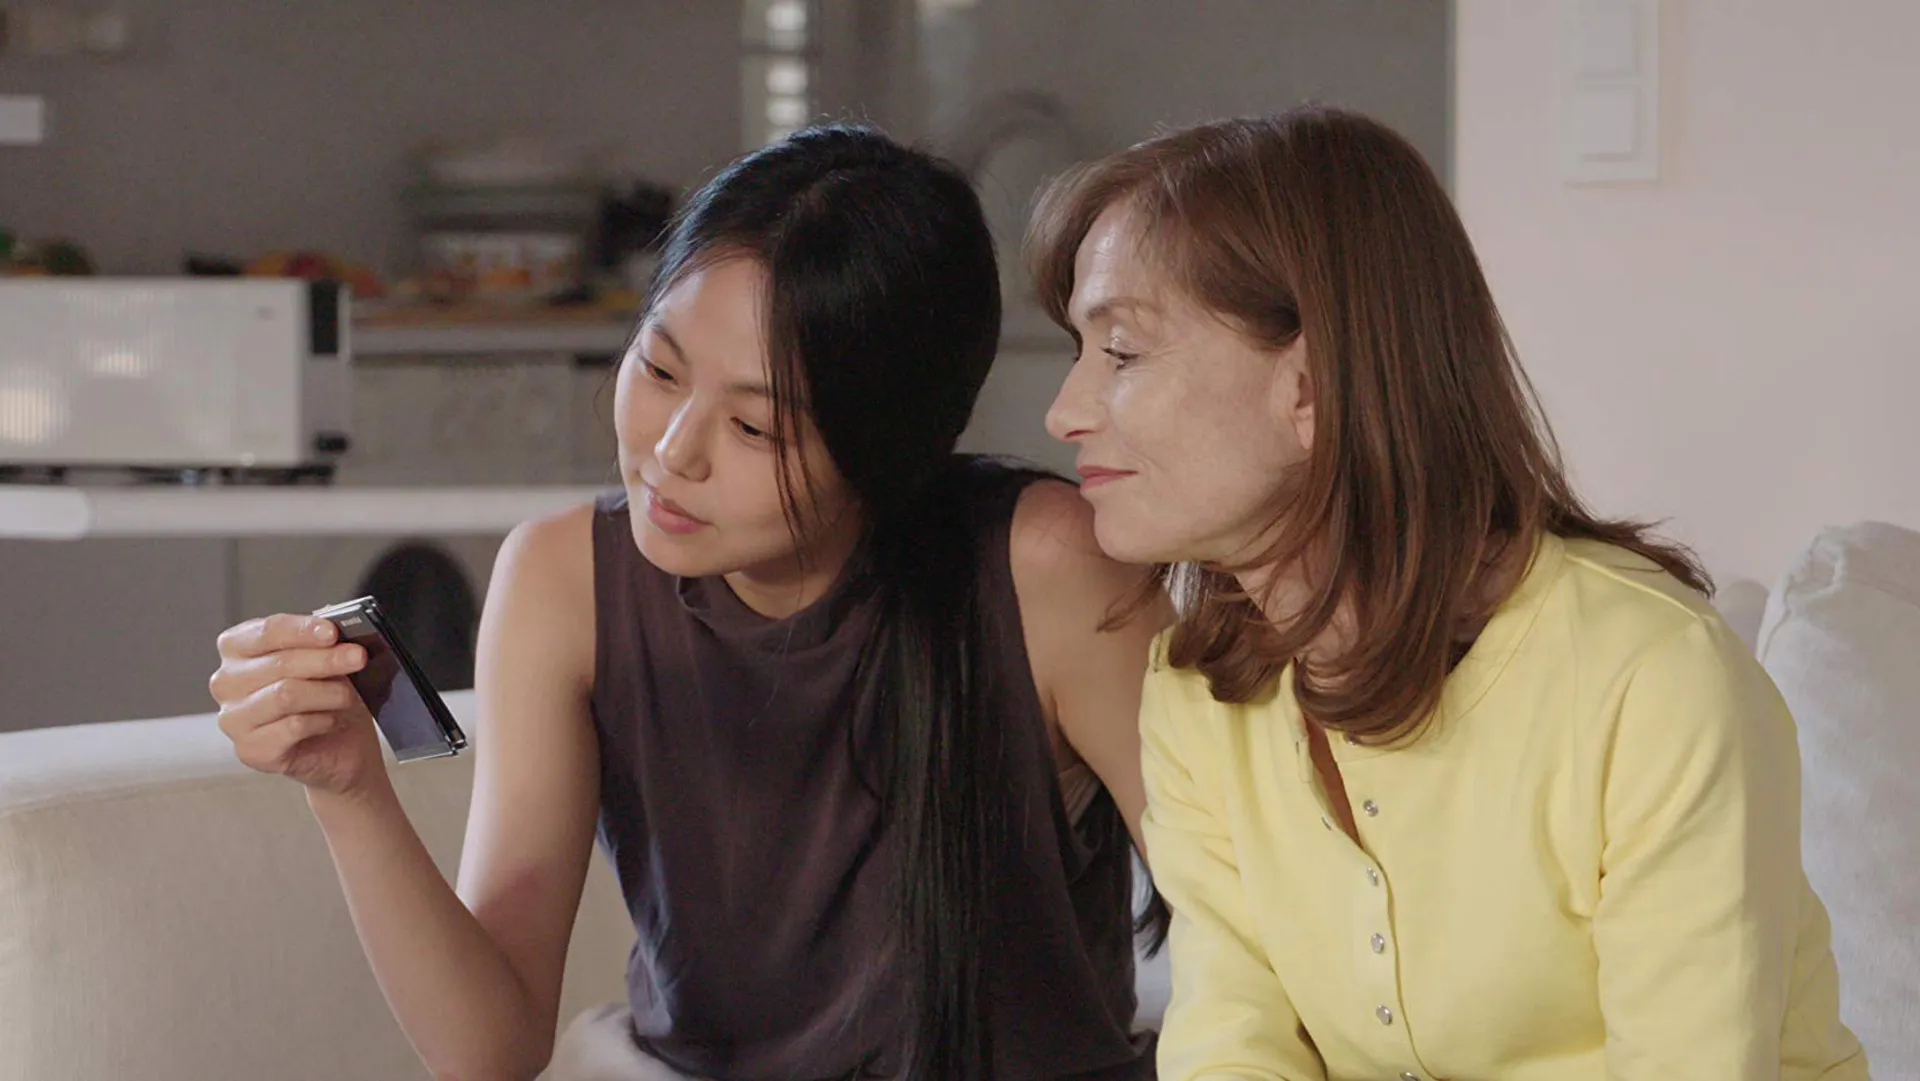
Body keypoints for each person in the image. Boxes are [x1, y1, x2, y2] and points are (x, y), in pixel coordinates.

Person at [209, 125, 1166, 1081]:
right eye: (660, 370)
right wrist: (349, 789)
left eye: (754, 425)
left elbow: (1233, 914)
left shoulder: (1045, 569)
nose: (672, 452)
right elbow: (488, 1048)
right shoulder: (562, 581)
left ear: (890, 447)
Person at [1032, 106, 1868, 1080]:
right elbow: (1231, 1046)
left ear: (1310, 386)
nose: (1064, 412)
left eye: (1121, 353)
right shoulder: (1196, 696)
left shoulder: (1649, 678)